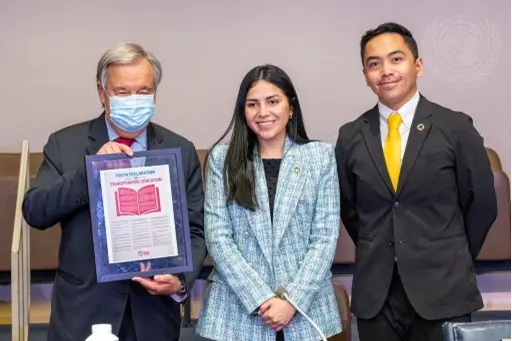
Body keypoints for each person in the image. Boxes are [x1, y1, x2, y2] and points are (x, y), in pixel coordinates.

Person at [22, 42, 206, 341]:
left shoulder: (179, 150)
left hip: (153, 315)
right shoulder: (65, 143)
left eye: (144, 91)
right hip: (84, 314)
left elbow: (196, 229)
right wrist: (90, 172)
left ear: (155, 93)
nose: (134, 100)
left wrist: (180, 280)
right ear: (101, 93)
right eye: (122, 92)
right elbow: (35, 211)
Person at [335, 22, 498, 341]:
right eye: (374, 63)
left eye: (396, 59)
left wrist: (451, 253)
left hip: (443, 289)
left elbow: (481, 205)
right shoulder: (350, 136)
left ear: (418, 65)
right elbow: (350, 209)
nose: (385, 71)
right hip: (377, 296)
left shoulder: (456, 128)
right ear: (365, 75)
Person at [195, 64, 342, 340]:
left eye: (273, 101)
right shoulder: (223, 159)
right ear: (243, 111)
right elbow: (218, 237)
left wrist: (292, 301)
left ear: (291, 107)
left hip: (305, 314)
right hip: (237, 312)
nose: (263, 113)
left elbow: (324, 238)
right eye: (253, 104)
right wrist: (261, 298)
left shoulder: (320, 157)